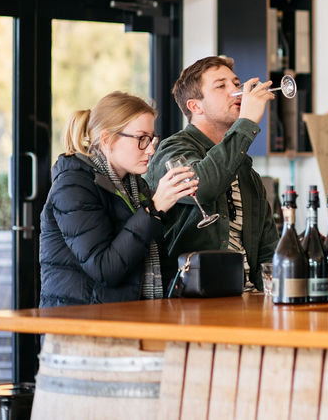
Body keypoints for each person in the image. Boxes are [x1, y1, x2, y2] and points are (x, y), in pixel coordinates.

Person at [40, 91, 198, 307]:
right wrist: (153, 210)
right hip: (79, 326)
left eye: (152, 139)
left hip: (128, 317)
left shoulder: (135, 186)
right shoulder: (73, 186)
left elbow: (151, 256)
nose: (151, 149)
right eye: (142, 139)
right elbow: (105, 269)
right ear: (107, 139)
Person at [144, 56, 280, 292]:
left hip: (249, 301)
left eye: (236, 84)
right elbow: (201, 185)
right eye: (221, 86)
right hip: (192, 304)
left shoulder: (247, 172)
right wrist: (247, 122)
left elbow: (269, 249)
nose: (236, 92)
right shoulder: (172, 150)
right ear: (195, 106)